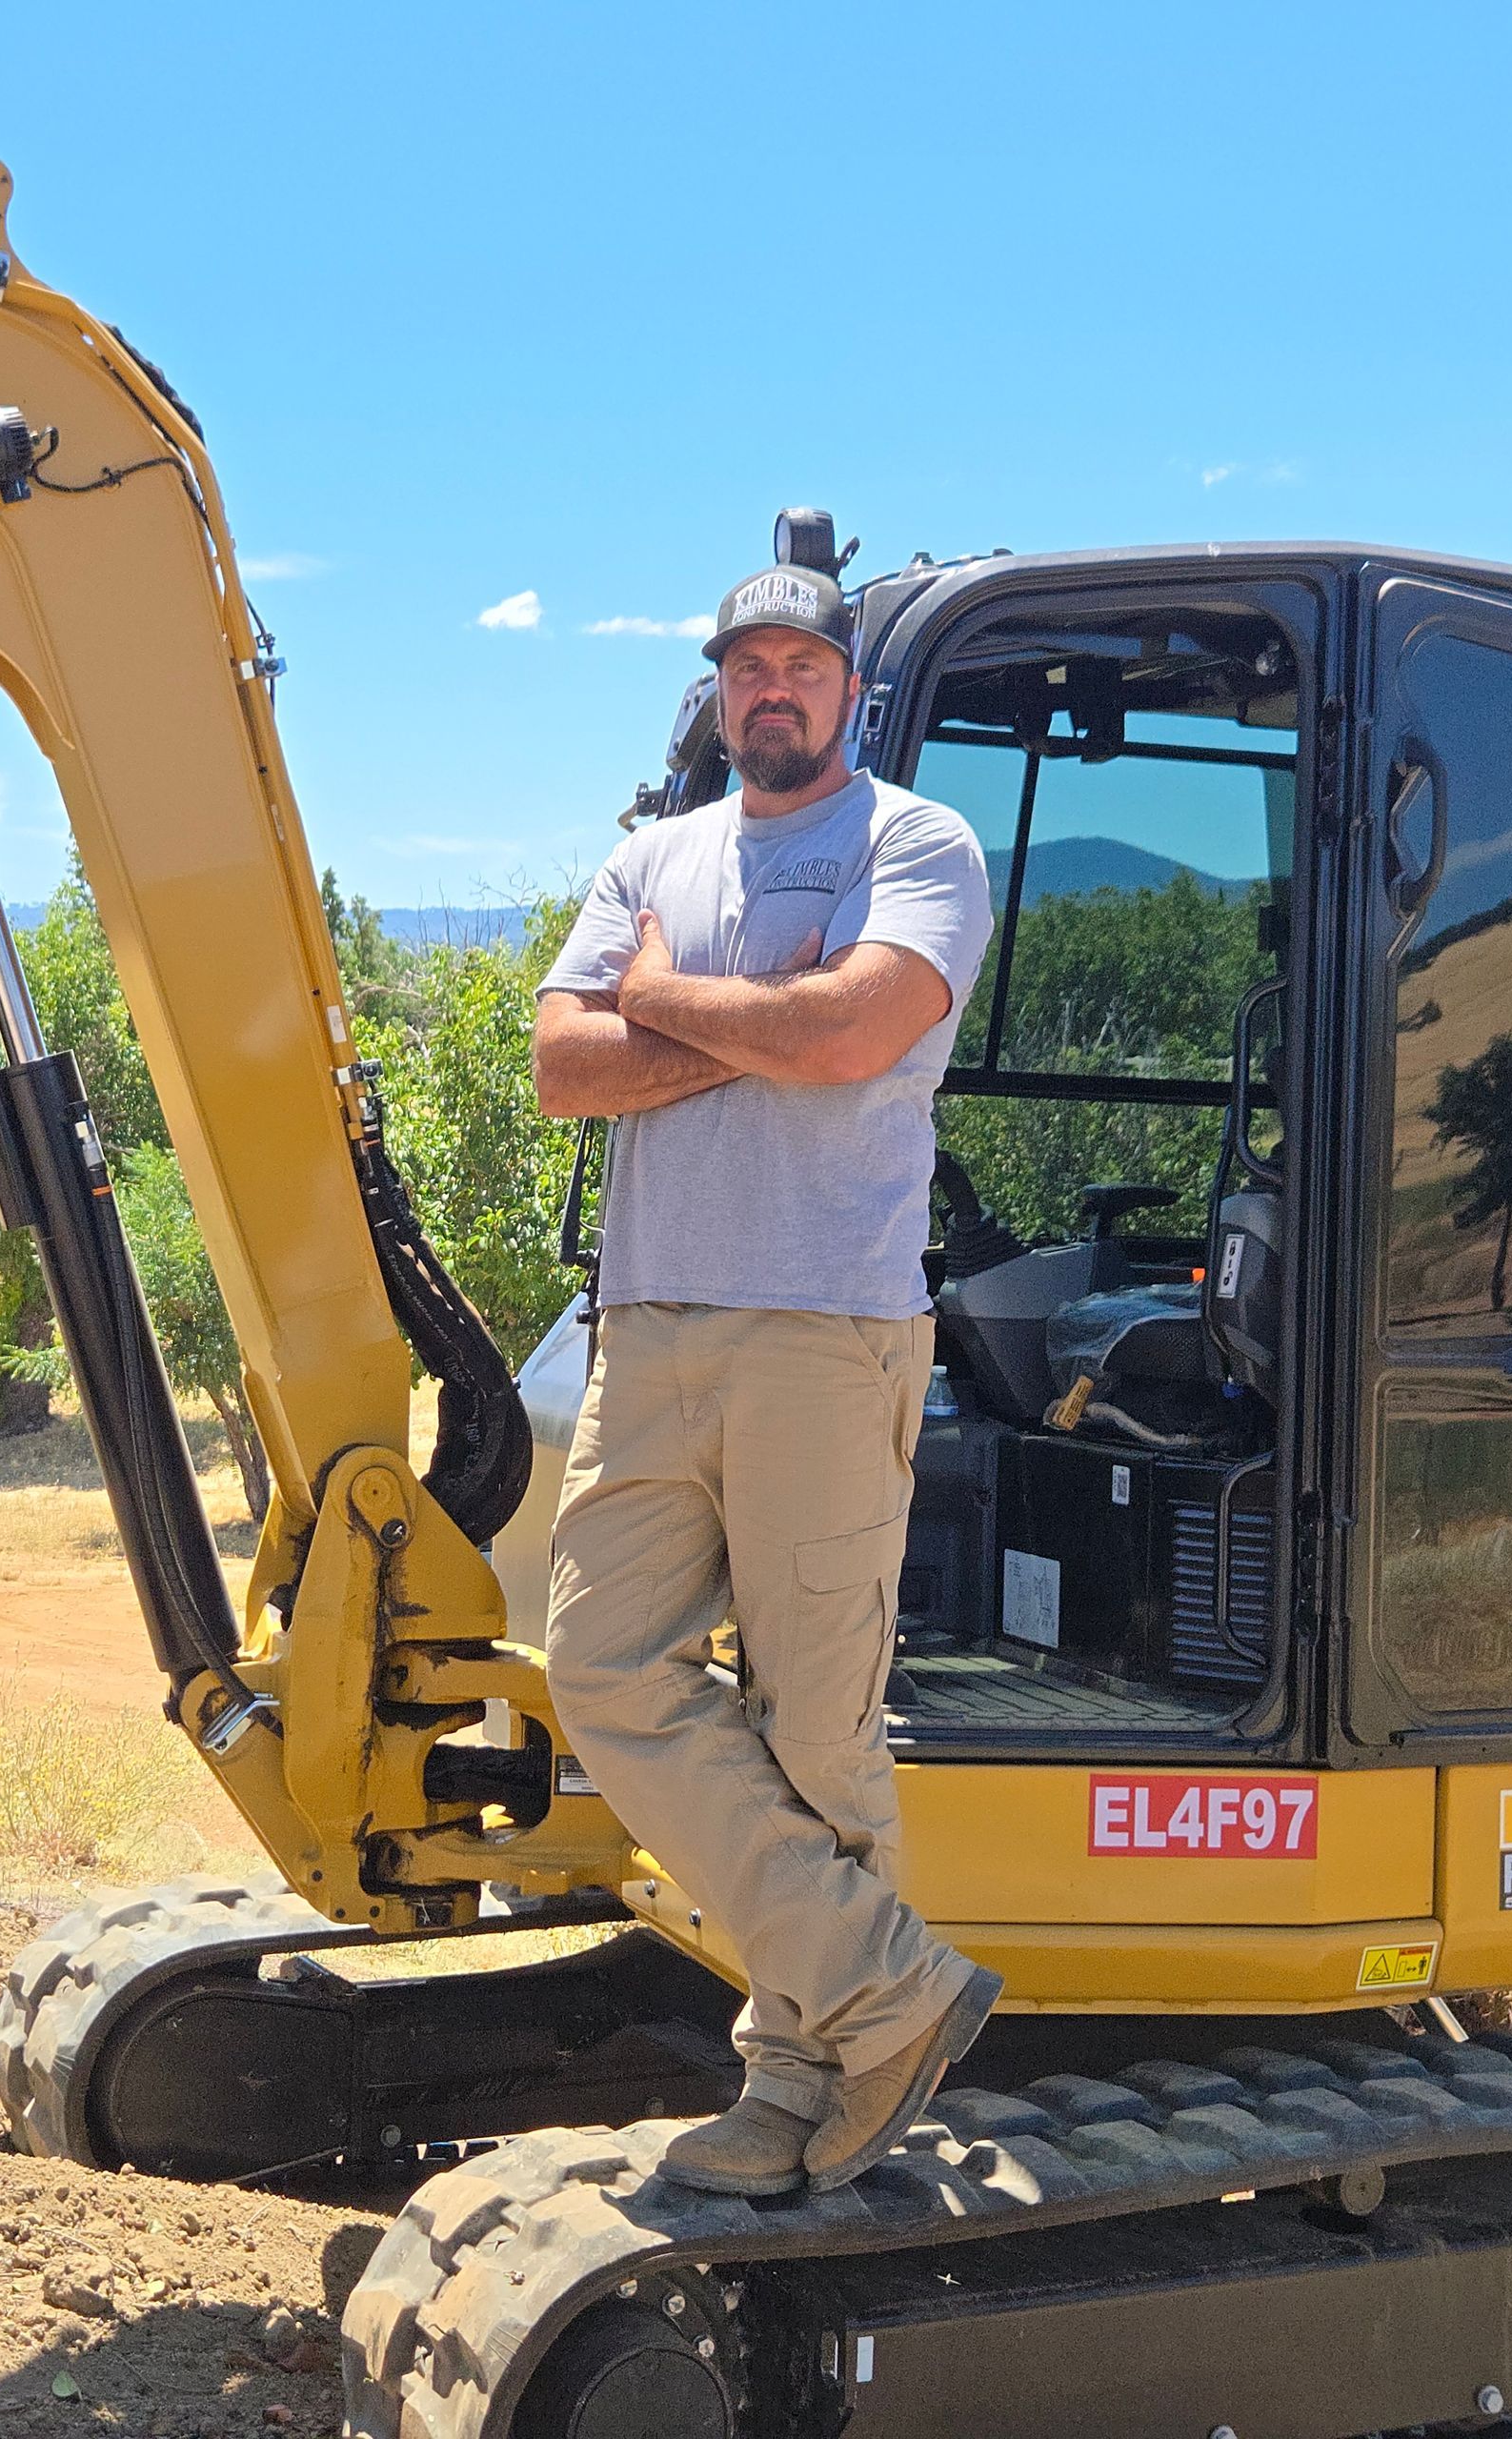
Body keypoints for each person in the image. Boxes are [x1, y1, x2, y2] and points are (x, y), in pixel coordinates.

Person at [532, 553, 1000, 2198]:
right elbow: (559, 1067)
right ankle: (891, 1988)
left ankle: (799, 2072)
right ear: (719, 691)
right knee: (601, 1669)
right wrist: (763, 1017)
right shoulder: (653, 853)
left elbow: (850, 1039)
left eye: (801, 665)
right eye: (748, 669)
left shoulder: (914, 845)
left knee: (819, 1721)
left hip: (823, 1326)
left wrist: (662, 997)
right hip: (652, 1325)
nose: (772, 690)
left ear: (846, 690)